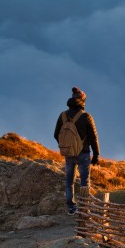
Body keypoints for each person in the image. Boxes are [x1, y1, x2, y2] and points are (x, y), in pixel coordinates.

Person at [54, 87, 100, 215]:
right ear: (82, 100)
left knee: (69, 181)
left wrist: (65, 146)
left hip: (68, 154)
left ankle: (71, 207)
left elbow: (56, 134)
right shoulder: (86, 116)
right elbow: (93, 137)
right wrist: (96, 155)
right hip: (83, 153)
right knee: (84, 182)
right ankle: (84, 207)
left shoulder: (63, 115)